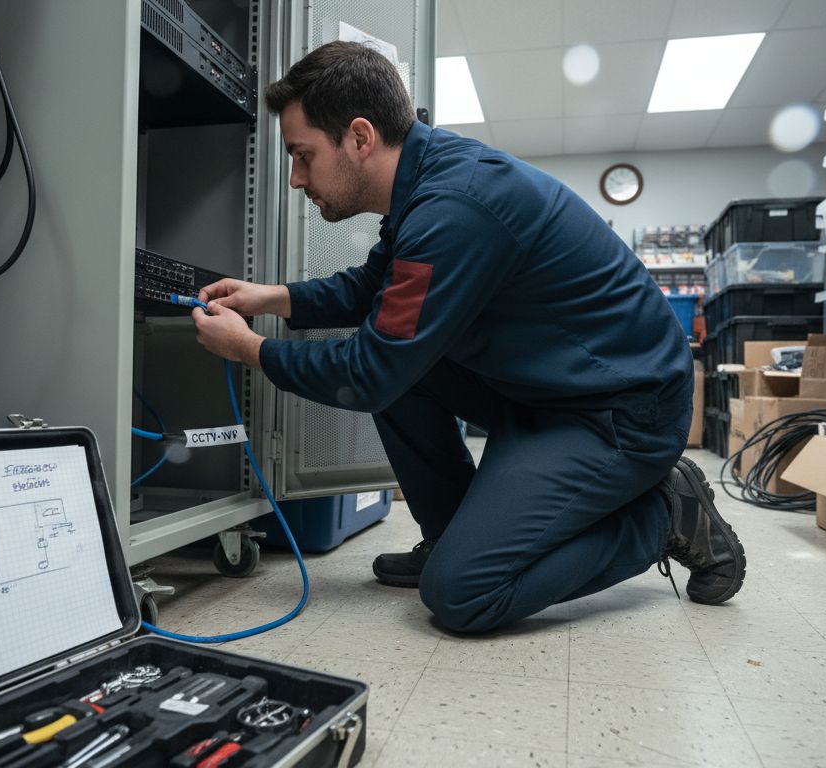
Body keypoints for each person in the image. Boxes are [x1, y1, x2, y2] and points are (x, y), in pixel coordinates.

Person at [189, 41, 745, 634]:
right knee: (405, 368)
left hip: (620, 412)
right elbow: (375, 287)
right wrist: (271, 297)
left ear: (360, 137)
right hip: (549, 390)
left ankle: (665, 515)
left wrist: (249, 348)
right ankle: (452, 535)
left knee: (462, 593)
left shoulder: (454, 207)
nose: (296, 179)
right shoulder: (426, 179)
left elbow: (368, 373)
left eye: (303, 156)